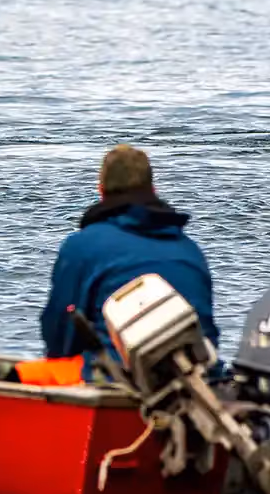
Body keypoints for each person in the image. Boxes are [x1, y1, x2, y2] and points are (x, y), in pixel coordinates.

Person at [37, 144, 217, 370]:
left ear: (101, 191)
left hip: (118, 379)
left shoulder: (83, 246)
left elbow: (60, 331)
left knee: (25, 373)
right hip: (199, 380)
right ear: (153, 189)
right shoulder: (189, 249)